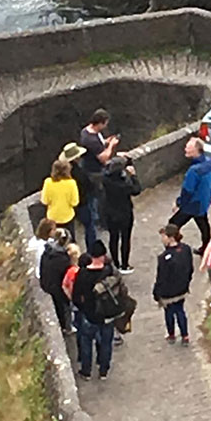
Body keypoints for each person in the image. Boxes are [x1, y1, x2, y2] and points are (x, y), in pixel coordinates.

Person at [72, 239, 125, 380]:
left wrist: (83, 308)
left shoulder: (82, 274)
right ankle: (103, 370)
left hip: (89, 314)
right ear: (103, 255)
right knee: (106, 343)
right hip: (107, 314)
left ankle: (86, 371)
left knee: (86, 342)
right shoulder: (109, 273)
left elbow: (75, 296)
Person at [169, 135, 211, 254]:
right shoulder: (210, 163)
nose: (185, 149)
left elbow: (187, 190)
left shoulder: (194, 171)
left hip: (192, 204)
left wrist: (179, 203)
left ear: (196, 150)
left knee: (173, 223)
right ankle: (206, 248)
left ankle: (174, 246)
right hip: (203, 202)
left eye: (188, 148)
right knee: (203, 224)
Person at [153, 224, 194, 344]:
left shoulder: (163, 258)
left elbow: (161, 278)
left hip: (168, 292)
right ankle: (185, 335)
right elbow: (190, 268)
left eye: (164, 237)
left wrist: (156, 292)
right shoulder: (186, 249)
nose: (162, 239)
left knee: (169, 312)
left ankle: (171, 334)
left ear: (171, 238)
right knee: (180, 310)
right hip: (182, 288)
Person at [79, 108, 120, 227]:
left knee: (94, 196)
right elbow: (104, 158)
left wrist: (107, 142)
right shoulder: (91, 140)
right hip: (94, 171)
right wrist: (111, 146)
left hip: (89, 168)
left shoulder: (87, 132)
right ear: (100, 123)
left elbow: (99, 145)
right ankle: (101, 221)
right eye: (105, 123)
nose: (106, 126)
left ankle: (95, 217)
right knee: (101, 196)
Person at [103, 156, 141, 274]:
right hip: (125, 213)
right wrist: (133, 175)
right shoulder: (124, 185)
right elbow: (137, 190)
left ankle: (115, 263)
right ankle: (124, 265)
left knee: (113, 238)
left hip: (110, 213)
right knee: (125, 238)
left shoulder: (106, 180)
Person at [58, 142, 95, 252]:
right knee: (89, 226)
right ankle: (91, 250)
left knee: (69, 232)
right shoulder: (78, 173)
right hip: (82, 203)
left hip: (68, 205)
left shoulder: (63, 174)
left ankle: (74, 252)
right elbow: (88, 185)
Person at [39, 227, 72, 333]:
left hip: (47, 283)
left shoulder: (48, 251)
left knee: (57, 306)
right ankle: (66, 327)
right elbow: (66, 277)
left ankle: (62, 325)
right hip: (57, 287)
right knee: (64, 307)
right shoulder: (63, 258)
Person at [41, 159, 79, 239]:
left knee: (55, 240)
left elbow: (44, 201)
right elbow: (74, 202)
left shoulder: (48, 182)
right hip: (67, 216)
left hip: (53, 218)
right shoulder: (71, 183)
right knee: (70, 238)